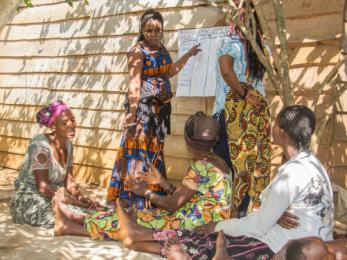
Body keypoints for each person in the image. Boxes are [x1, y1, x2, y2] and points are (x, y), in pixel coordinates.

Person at [113, 105, 334, 260]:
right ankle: (137, 237)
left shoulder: (291, 174)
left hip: (288, 247)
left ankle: (137, 238)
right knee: (209, 234)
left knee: (210, 239)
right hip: (299, 238)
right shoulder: (314, 166)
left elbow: (258, 226)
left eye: (275, 123)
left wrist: (221, 225)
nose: (271, 127)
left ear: (283, 133)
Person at [53, 112, 233, 240]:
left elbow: (172, 205)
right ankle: (78, 218)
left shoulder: (200, 167)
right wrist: (162, 183)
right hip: (202, 219)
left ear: (189, 143)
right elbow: (186, 197)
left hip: (194, 226)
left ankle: (70, 227)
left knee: (137, 221)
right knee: (140, 215)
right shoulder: (220, 163)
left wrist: (144, 191)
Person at [107, 9, 201, 209]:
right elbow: (134, 84)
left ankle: (151, 195)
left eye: (157, 30)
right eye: (148, 30)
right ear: (142, 30)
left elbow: (170, 71)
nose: (153, 34)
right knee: (137, 151)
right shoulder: (137, 51)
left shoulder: (162, 50)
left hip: (159, 113)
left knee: (154, 152)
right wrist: (132, 116)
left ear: (162, 30)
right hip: (142, 111)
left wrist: (189, 55)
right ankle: (130, 199)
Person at [213, 0, 271, 215]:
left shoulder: (232, 41)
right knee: (252, 165)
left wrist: (244, 93)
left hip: (233, 114)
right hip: (255, 113)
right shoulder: (259, 46)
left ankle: (227, 214)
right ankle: (246, 213)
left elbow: (227, 71)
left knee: (227, 164)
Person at [10, 100, 100, 228]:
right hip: (32, 200)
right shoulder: (40, 146)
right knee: (79, 217)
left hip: (56, 197)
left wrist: (81, 198)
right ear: (53, 126)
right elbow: (43, 187)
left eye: (73, 120)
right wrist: (78, 203)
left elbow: (69, 182)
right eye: (64, 123)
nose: (71, 125)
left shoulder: (68, 145)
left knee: (94, 209)